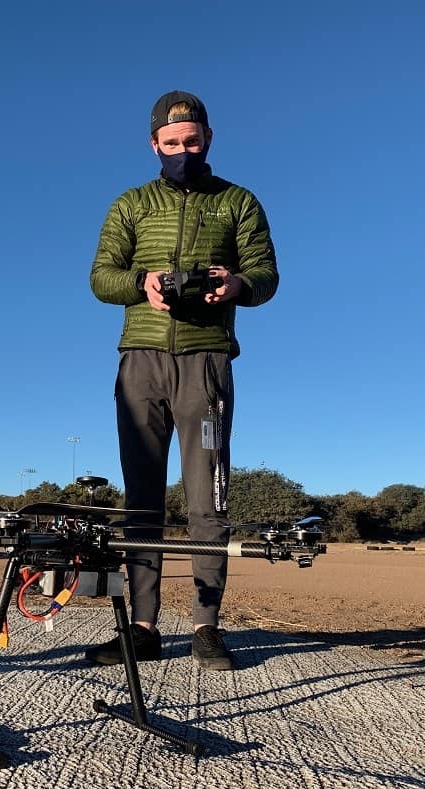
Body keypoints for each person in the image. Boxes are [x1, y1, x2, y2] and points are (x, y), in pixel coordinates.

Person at [87, 90, 278, 671]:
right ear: (154, 144)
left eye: (191, 142)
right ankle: (141, 626)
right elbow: (100, 277)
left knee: (207, 497)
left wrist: (237, 286)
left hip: (207, 363)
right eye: (171, 144)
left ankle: (205, 625)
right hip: (141, 361)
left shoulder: (238, 202)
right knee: (141, 498)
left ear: (209, 140)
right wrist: (141, 283)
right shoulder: (131, 204)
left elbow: (267, 275)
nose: (182, 151)